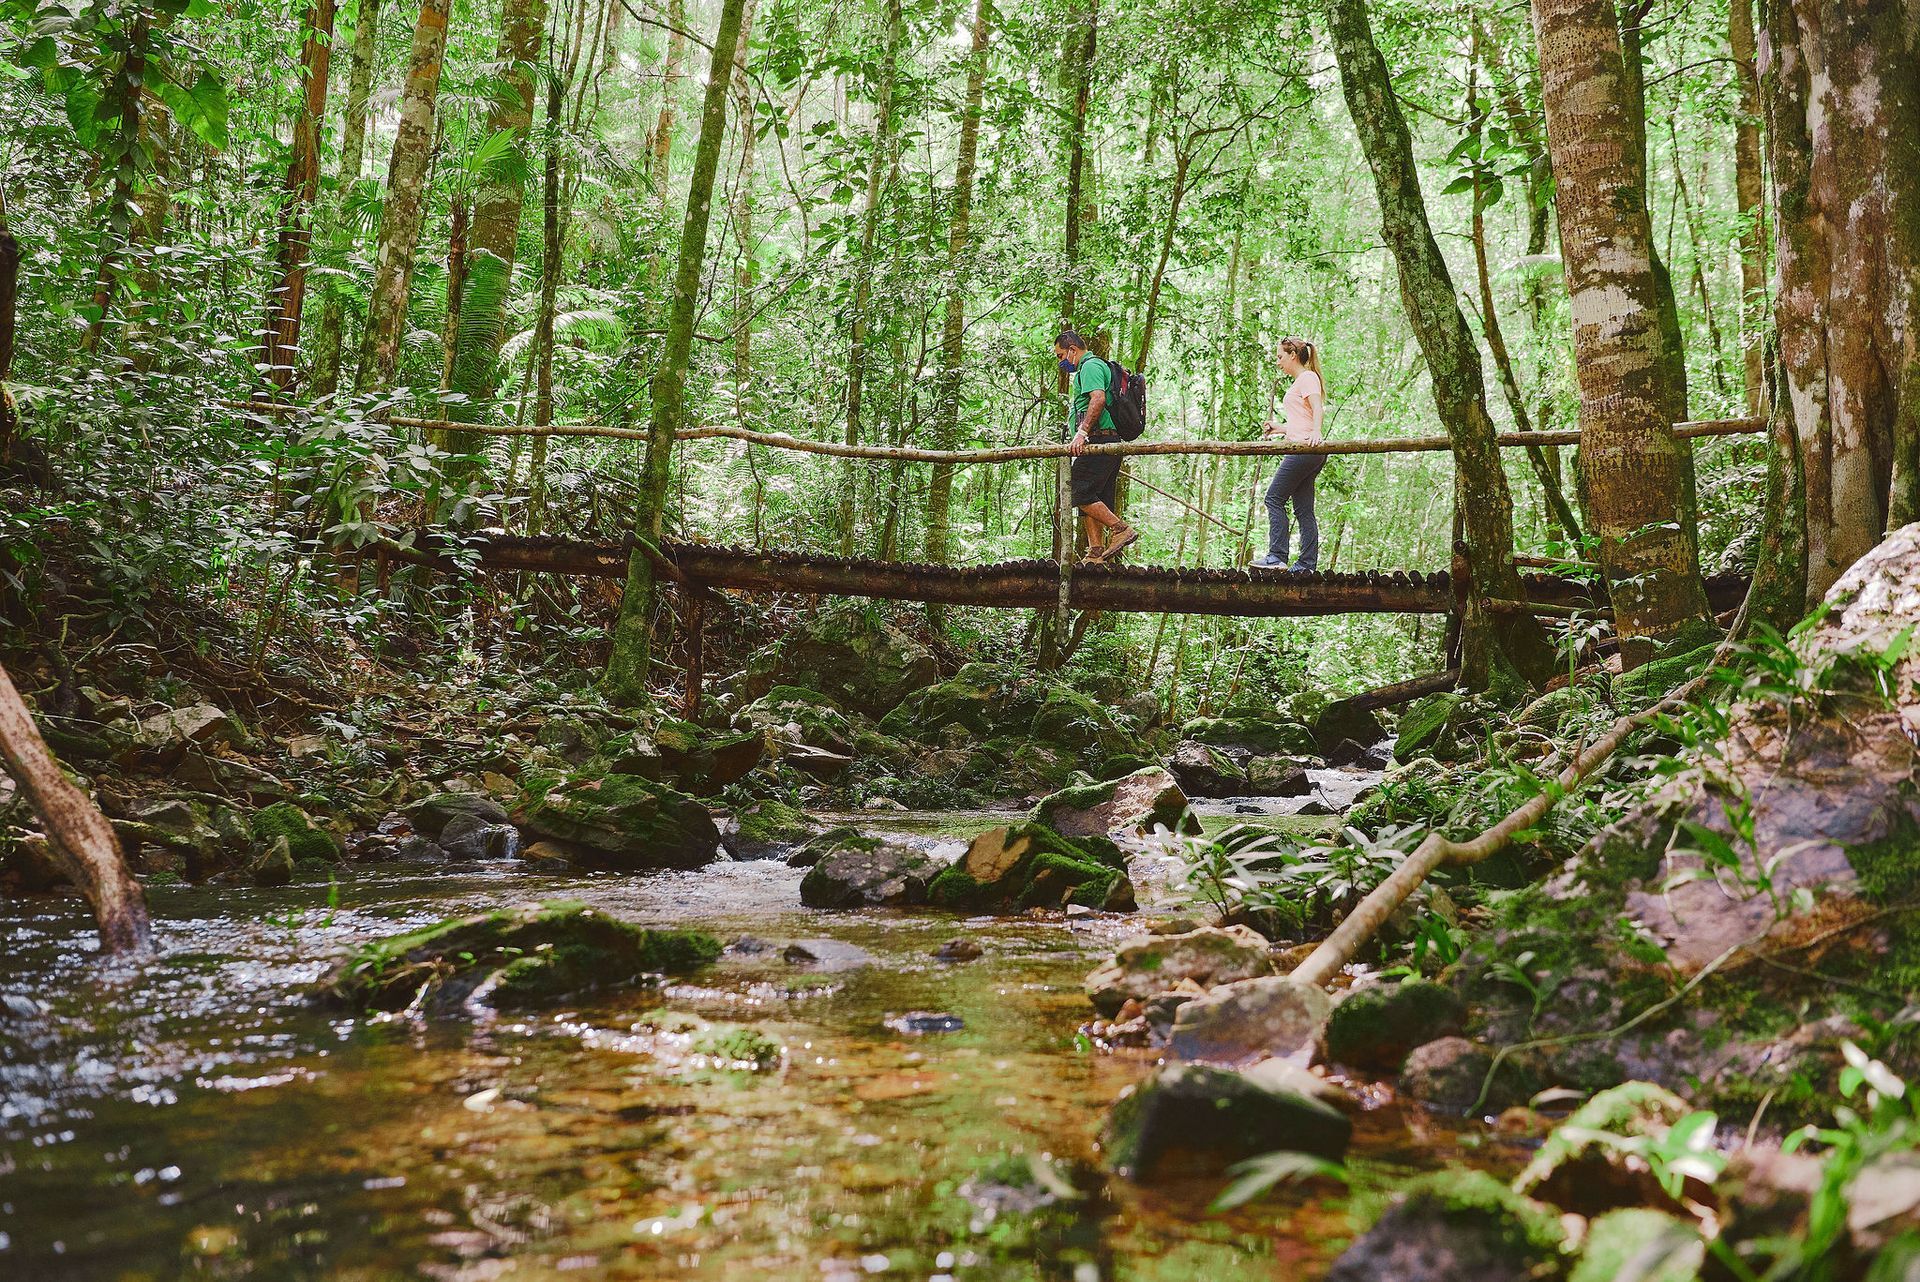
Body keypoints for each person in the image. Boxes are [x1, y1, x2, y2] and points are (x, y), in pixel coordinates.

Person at [1057, 330, 1142, 562]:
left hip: (1099, 441)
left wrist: (1082, 433)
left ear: (1073, 350)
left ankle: (1120, 529)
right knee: (1094, 496)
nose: (1061, 361)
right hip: (1104, 441)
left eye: (1061, 355)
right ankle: (1095, 551)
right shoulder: (1091, 367)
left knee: (1075, 489)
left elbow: (1098, 399)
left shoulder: (1091, 366)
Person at [1255, 336, 1326, 571]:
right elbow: (1303, 419)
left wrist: (1316, 431)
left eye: (1280, 357)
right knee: (1304, 509)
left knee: (1273, 498)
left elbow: (1317, 406)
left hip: (1304, 449)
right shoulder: (1301, 380)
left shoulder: (1307, 377)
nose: (1278, 362)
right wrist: (1279, 428)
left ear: (1292, 355)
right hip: (1307, 448)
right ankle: (1306, 565)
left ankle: (1276, 557)